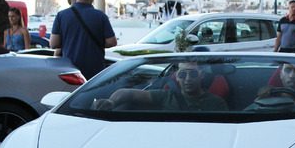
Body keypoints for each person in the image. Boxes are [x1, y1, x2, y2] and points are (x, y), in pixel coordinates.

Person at [50, 0, 117, 79]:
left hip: (70, 72)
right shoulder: (100, 16)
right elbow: (112, 42)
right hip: (94, 73)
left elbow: (54, 44)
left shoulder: (61, 15)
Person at [93, 62, 228, 112]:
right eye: (182, 74)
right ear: (176, 76)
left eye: (193, 74)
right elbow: (128, 93)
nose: (187, 79)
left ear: (201, 75)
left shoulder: (216, 103)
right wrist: (112, 102)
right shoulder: (166, 96)